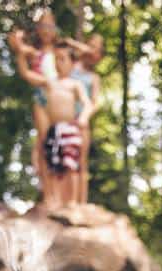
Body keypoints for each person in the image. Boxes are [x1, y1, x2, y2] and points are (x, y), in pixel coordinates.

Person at [15, 43, 91, 211]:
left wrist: (84, 117)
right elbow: (26, 74)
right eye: (56, 59)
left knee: (71, 165)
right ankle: (55, 201)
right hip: (54, 129)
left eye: (63, 59)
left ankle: (72, 202)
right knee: (53, 164)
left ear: (72, 63)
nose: (58, 63)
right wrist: (21, 54)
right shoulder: (49, 82)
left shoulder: (74, 84)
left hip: (70, 129)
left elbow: (87, 103)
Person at [9, 11, 62, 199]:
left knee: (61, 143)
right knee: (46, 140)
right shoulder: (34, 52)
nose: (47, 31)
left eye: (50, 26)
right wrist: (18, 45)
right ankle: (47, 191)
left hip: (61, 101)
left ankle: (60, 191)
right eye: (43, 26)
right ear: (38, 29)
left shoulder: (60, 52)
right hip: (42, 97)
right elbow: (25, 71)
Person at [65, 35, 103, 204]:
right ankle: (65, 200)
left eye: (98, 48)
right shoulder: (70, 67)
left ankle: (81, 202)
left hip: (81, 122)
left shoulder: (94, 78)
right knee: (63, 161)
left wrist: (84, 117)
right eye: (91, 46)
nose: (93, 51)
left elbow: (95, 103)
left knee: (81, 163)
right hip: (63, 119)